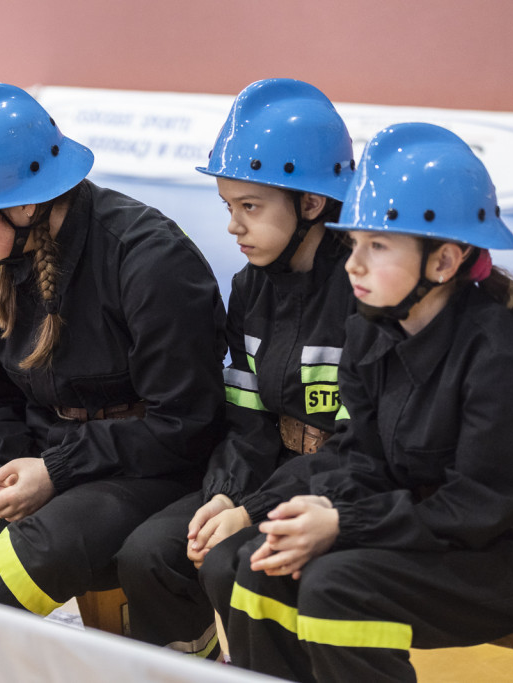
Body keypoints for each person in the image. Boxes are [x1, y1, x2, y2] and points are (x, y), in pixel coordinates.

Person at [200, 122, 513, 682]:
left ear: (444, 261)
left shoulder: (502, 359)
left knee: (336, 587)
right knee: (259, 563)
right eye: (354, 243)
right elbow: (358, 459)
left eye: (377, 246)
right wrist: (265, 510)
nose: (354, 264)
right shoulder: (370, 331)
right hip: (426, 528)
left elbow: (476, 510)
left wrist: (341, 524)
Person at [0, 82, 227, 613]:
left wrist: (57, 470)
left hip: (151, 469)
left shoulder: (150, 260)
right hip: (44, 453)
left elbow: (186, 426)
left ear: (25, 205)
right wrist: (7, 470)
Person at [116, 78, 357, 658]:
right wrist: (223, 498)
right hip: (266, 477)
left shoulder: (365, 292)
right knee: (146, 554)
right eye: (229, 206)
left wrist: (250, 511)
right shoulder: (249, 289)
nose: (233, 226)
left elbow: (355, 449)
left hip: (340, 492)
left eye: (250, 207)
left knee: (237, 564)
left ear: (311, 204)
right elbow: (247, 422)